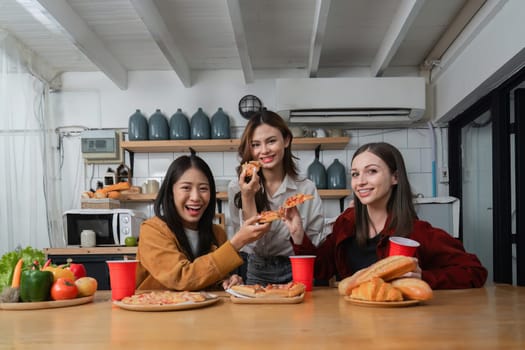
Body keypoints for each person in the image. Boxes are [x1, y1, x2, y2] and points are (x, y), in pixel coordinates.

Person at [290, 142, 487, 289]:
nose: (361, 182)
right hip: (351, 324)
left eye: (372, 172)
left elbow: (475, 272)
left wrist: (424, 277)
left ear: (395, 177)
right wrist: (298, 235)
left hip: (399, 327)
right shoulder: (346, 223)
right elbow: (322, 269)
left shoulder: (417, 231)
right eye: (355, 174)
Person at [135, 150, 270, 291]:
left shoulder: (217, 233)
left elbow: (206, 278)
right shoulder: (152, 230)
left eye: (203, 188)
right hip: (158, 310)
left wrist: (227, 281)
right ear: (170, 193)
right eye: (186, 188)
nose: (195, 197)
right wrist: (237, 242)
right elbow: (181, 278)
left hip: (202, 312)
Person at [228, 109, 325, 285]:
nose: (264, 151)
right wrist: (247, 195)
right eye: (256, 144)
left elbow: (314, 245)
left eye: (271, 141)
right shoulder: (237, 188)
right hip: (256, 268)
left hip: (295, 266)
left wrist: (298, 233)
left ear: (286, 140)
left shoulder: (306, 188)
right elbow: (248, 237)